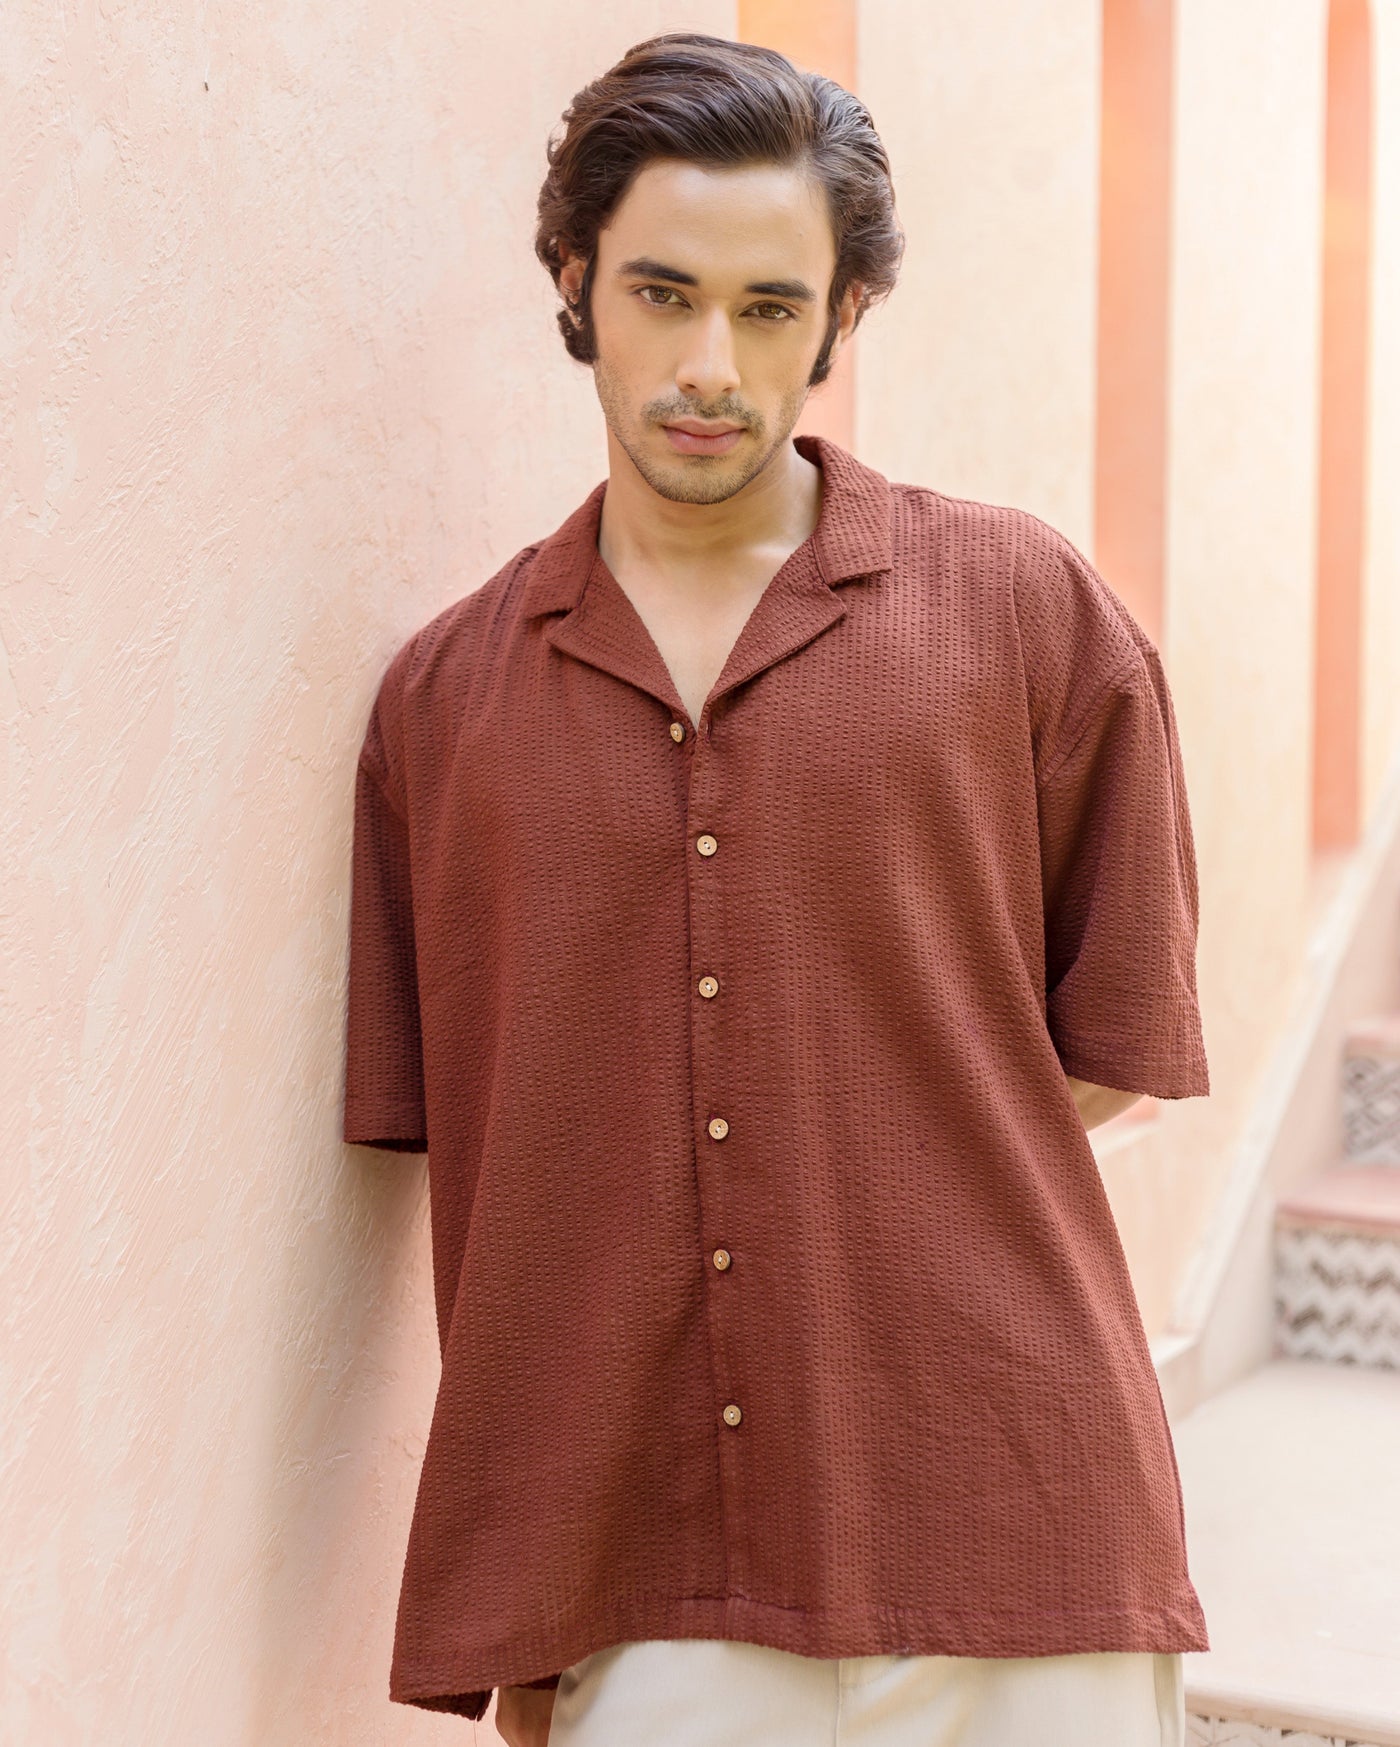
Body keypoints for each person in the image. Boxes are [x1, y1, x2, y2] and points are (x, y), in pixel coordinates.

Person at [342, 31, 1211, 1747]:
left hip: (1021, 1532)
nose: (710, 367)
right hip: (644, 1572)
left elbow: (1107, 1042)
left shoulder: (1028, 611)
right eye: (663, 295)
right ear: (576, 281)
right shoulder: (443, 707)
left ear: (840, 320)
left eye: (768, 310)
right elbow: (496, 1149)